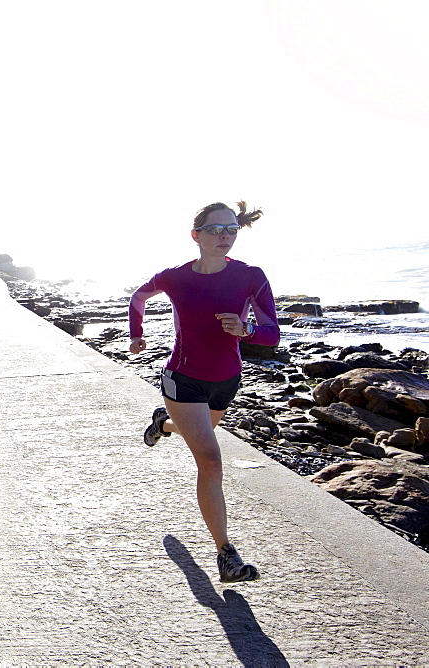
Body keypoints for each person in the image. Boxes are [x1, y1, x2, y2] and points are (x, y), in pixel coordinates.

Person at [128, 201, 280, 583]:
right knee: (210, 461)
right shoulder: (175, 278)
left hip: (226, 380)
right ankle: (225, 554)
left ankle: (164, 426)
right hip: (184, 378)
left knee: (199, 437)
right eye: (214, 230)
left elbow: (272, 333)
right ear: (196, 235)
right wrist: (136, 334)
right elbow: (138, 298)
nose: (224, 236)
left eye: (230, 229)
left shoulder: (251, 277)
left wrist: (246, 331)